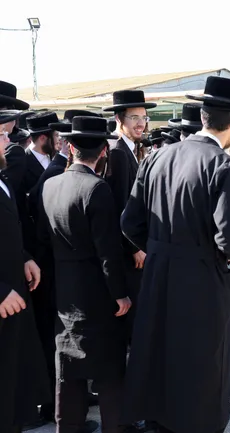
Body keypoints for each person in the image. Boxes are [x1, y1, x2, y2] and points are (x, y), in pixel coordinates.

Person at [120, 76, 230, 433]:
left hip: (157, 276)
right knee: (200, 363)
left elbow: (129, 223)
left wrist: (158, 248)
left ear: (202, 116)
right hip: (202, 280)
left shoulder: (156, 158)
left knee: (158, 353)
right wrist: (221, 262)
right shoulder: (223, 166)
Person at [37, 116, 129, 433]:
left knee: (68, 369)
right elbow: (108, 252)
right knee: (109, 371)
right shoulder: (97, 188)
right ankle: (115, 427)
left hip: (64, 290)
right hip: (97, 294)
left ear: (71, 147)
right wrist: (120, 294)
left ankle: (67, 428)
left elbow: (41, 239)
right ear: (103, 151)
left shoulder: (49, 185)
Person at [0, 109, 52, 433]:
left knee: (13, 395)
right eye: (1, 136)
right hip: (4, 298)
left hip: (14, 297)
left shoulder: (1, 176)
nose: (7, 142)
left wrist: (23, 257)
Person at [102, 90, 156, 343]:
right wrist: (134, 248)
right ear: (119, 119)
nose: (140, 123)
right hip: (128, 253)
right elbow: (120, 206)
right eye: (134, 117)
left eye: (144, 117)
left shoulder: (130, 149)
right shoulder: (119, 153)